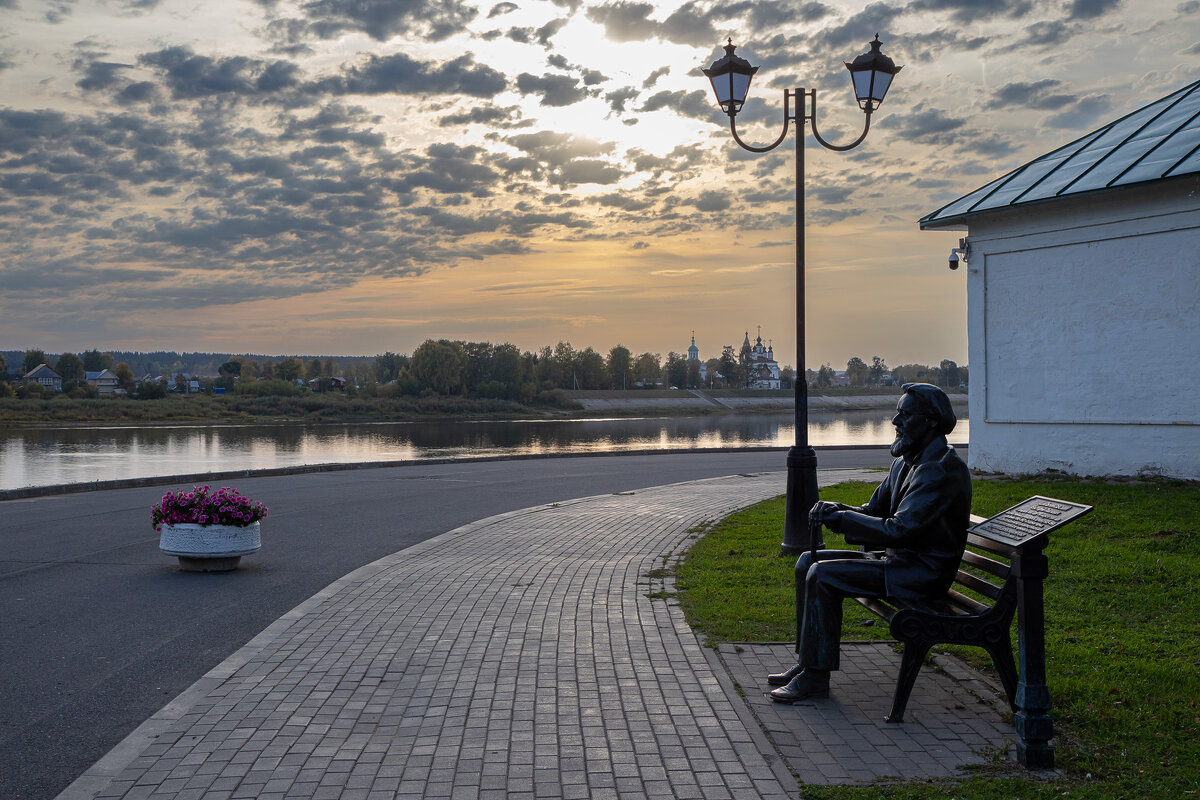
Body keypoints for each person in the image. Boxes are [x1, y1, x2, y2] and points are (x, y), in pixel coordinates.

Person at [767, 382, 971, 703]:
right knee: (808, 561)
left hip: (921, 575)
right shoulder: (906, 463)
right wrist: (836, 509)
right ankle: (808, 661)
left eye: (904, 415)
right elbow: (872, 511)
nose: (895, 422)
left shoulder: (940, 471)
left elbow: (899, 529)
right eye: (896, 414)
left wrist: (842, 520)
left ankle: (816, 679)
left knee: (822, 574)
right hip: (897, 563)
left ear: (930, 421)